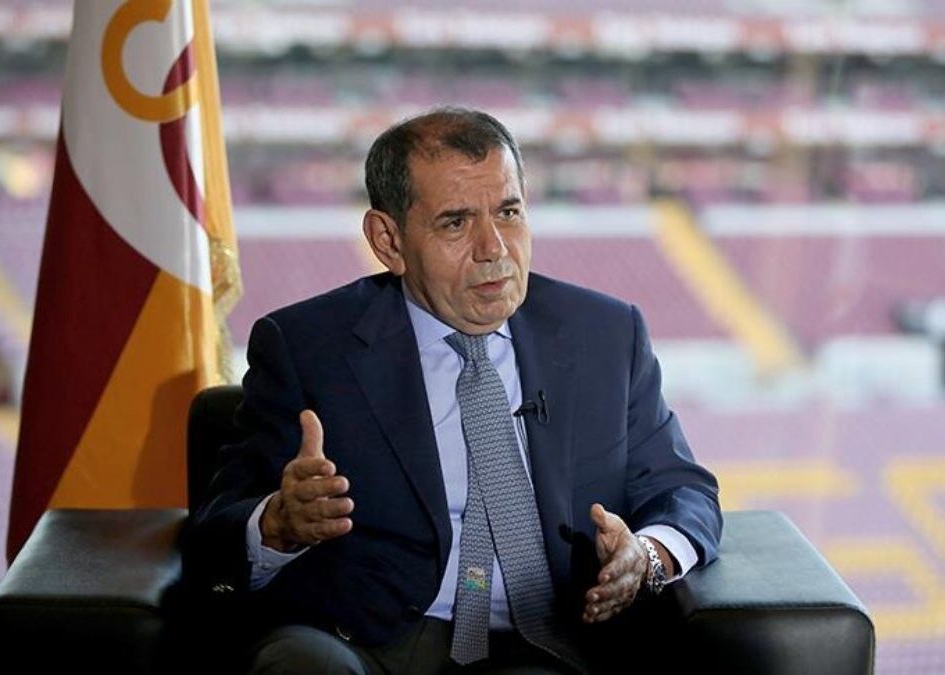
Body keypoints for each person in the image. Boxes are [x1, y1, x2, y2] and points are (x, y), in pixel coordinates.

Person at [185, 107, 722, 674]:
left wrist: (647, 557)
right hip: (359, 641)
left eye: (508, 212)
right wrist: (277, 523)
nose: (494, 248)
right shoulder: (305, 347)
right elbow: (215, 528)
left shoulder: (606, 335)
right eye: (456, 223)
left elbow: (684, 492)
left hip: (543, 643)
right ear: (389, 240)